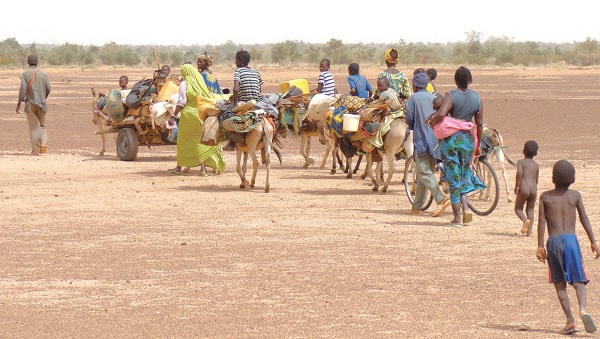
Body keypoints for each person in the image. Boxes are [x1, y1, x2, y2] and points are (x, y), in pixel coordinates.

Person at [536, 159, 599, 335]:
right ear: (573, 180)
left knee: (559, 282)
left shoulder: (545, 197)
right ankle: (583, 309)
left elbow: (541, 221)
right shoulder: (575, 195)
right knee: (579, 279)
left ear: (552, 178)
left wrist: (540, 245)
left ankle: (570, 320)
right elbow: (584, 218)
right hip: (571, 241)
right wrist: (593, 241)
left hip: (554, 241)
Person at [427, 66, 486, 227]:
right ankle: (466, 211)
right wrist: (478, 144)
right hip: (468, 141)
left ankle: (457, 219)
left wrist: (431, 122)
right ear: (470, 80)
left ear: (455, 80)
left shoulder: (451, 96)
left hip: (451, 141)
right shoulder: (477, 98)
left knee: (453, 177)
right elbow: (479, 124)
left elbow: (440, 114)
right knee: (464, 174)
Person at [167, 64, 226, 176]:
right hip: (200, 114)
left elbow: (181, 103)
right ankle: (203, 169)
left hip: (188, 116)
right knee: (199, 142)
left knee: (183, 141)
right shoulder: (199, 82)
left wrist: (173, 116)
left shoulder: (184, 84)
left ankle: (179, 168)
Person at [405, 72, 450, 216]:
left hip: (422, 140)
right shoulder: (434, 97)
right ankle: (417, 206)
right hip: (436, 140)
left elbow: (409, 118)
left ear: (415, 86)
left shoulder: (413, 98)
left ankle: (441, 198)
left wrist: (412, 126)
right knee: (424, 174)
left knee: (423, 173)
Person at [16, 54, 51, 155]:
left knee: (34, 127)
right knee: (42, 126)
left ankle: (35, 150)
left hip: (30, 104)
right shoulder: (44, 74)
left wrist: (19, 103)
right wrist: (43, 98)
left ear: (28, 63)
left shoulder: (24, 74)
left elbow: (23, 89)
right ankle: (43, 143)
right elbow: (48, 88)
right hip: (42, 104)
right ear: (37, 63)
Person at [514, 140, 539, 236]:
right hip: (533, 189)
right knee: (530, 209)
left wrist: (517, 185)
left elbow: (519, 173)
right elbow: (536, 179)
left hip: (524, 188)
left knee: (518, 209)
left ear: (523, 150)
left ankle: (525, 221)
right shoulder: (536, 165)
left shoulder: (521, 162)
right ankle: (530, 232)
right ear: (536, 153)